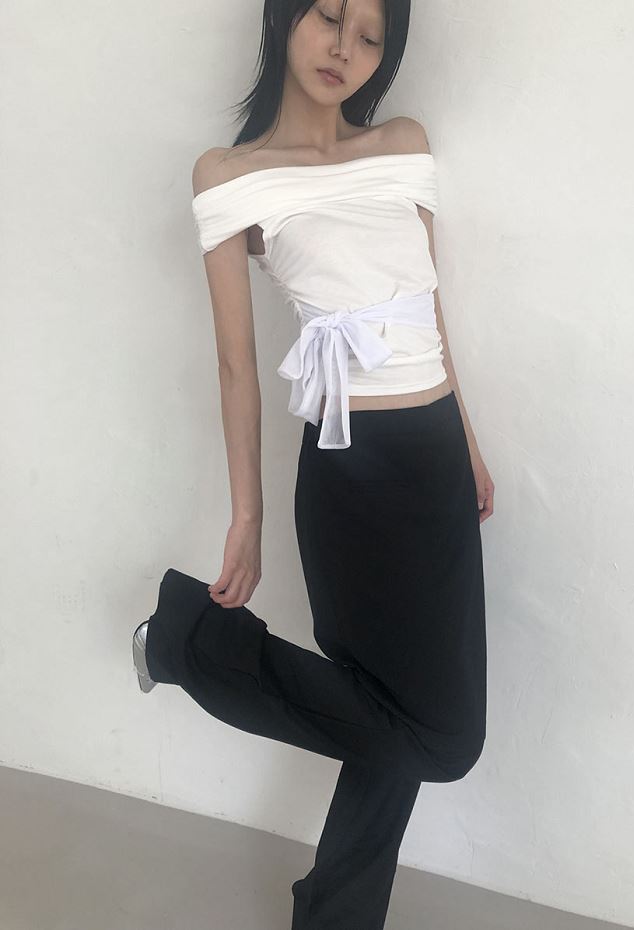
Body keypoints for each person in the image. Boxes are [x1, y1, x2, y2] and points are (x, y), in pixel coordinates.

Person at [132, 1, 495, 927]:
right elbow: (236, 366)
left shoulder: (403, 145)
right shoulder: (230, 176)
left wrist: (467, 444)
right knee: (443, 739)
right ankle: (189, 642)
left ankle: (334, 917)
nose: (345, 47)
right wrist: (247, 517)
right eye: (329, 17)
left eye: (370, 36)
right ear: (284, 17)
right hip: (350, 474)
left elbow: (427, 309)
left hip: (435, 462)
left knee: (395, 719)